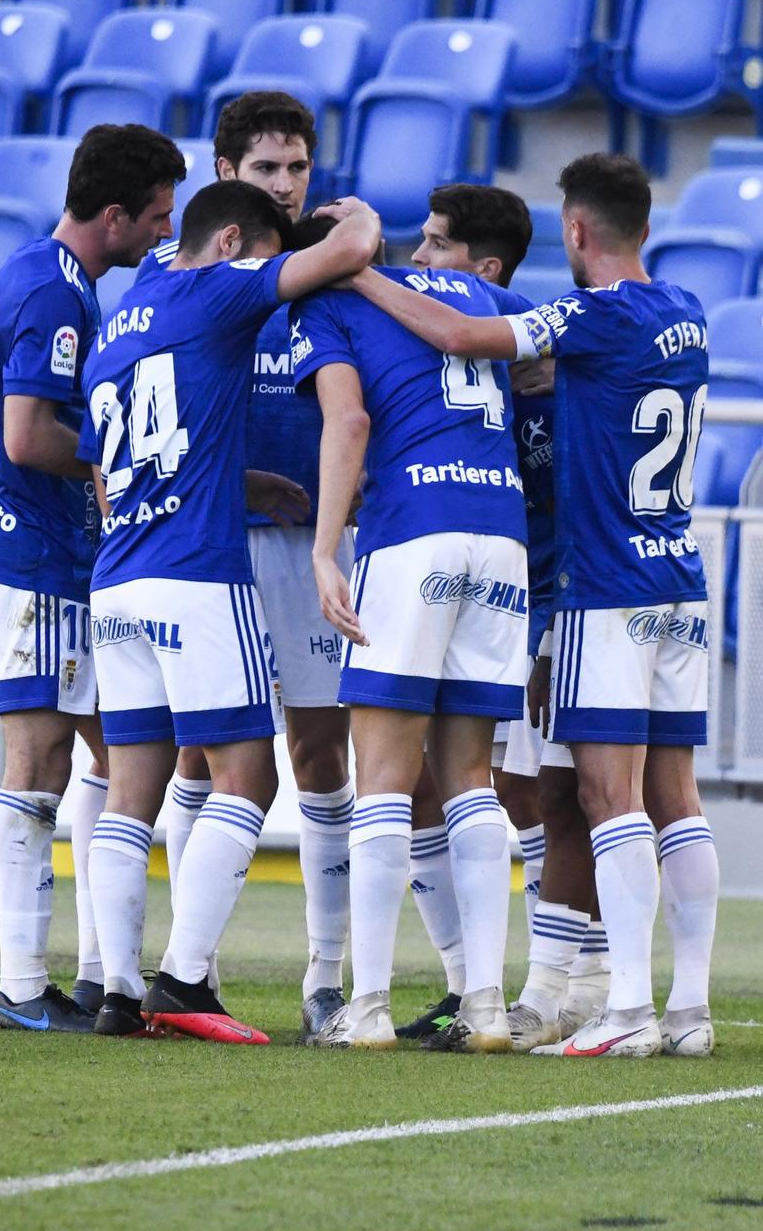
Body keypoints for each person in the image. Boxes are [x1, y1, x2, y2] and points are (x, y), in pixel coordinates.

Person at [347, 154, 721, 1058]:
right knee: (676, 798)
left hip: (604, 587)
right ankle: (689, 1010)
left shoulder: (592, 314)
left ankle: (625, 1006)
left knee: (606, 794)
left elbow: (469, 339)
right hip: (679, 575)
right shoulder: (685, 310)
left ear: (576, 232)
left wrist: (357, 271)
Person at [82, 181, 382, 1042]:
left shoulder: (121, 322)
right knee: (248, 774)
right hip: (196, 575)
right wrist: (356, 217)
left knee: (127, 794)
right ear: (230, 242)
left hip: (120, 575)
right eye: (260, 254)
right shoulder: (216, 284)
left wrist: (236, 480)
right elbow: (349, 253)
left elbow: (122, 463)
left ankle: (117, 989)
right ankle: (184, 983)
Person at [0, 123, 188, 1034]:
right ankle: (24, 985)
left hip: (33, 551)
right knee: (41, 761)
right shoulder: (58, 295)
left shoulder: (26, 273)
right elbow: (22, 435)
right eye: (157, 218)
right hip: (42, 562)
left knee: (106, 752)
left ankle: (100, 973)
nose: (162, 238)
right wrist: (111, 468)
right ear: (116, 214)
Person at [136, 91, 358, 1040]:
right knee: (203, 753)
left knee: (320, 751)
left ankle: (326, 975)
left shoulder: (330, 273)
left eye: (297, 168)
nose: (285, 184)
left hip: (310, 545)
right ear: (226, 172)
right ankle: (199, 965)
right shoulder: (174, 268)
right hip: (208, 546)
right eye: (266, 169)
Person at [292, 217, 531, 1052]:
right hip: (501, 533)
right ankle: (489, 1003)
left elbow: (348, 424)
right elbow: (535, 367)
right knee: (470, 778)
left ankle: (370, 1006)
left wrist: (325, 550)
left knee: (385, 779)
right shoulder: (474, 289)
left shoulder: (326, 305)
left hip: (413, 530)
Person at [403, 183, 602, 1051]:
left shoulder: (547, 353)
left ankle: (577, 979)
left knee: (562, 794)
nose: (417, 260)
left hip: (557, 602)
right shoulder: (457, 352)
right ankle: (468, 981)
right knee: (429, 787)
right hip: (483, 592)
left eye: (435, 244)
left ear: (484, 269)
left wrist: (560, 629)